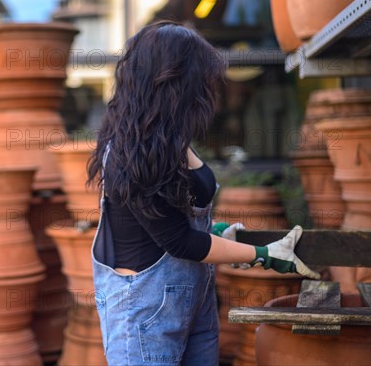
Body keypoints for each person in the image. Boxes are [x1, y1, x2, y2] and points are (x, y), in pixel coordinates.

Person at [86, 21, 319, 366]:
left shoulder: (167, 138)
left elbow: (173, 221)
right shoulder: (128, 154)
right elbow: (179, 242)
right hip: (145, 311)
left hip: (193, 300)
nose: (209, 90)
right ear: (175, 83)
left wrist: (217, 232)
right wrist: (264, 254)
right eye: (201, 80)